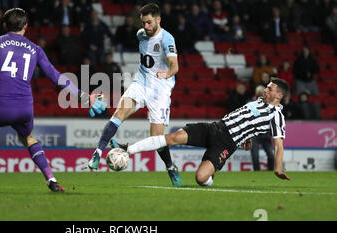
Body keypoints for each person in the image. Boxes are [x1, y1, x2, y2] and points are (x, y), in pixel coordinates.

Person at [0, 8, 106, 192]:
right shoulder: (36, 49)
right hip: (25, 108)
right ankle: (51, 180)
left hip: (1, 106)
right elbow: (56, 76)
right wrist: (83, 96)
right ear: (26, 27)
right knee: (28, 138)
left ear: (5, 25)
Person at [117, 78, 291, 186]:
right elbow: (248, 120)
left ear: (279, 96)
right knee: (174, 137)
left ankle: (211, 175)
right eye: (267, 87)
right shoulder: (258, 101)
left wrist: (277, 168)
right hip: (215, 128)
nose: (265, 90)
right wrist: (249, 136)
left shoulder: (277, 116)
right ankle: (128, 149)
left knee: (200, 178)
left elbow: (279, 145)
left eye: (269, 88)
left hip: (227, 143)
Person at [87, 3, 183, 187]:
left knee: (157, 139)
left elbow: (175, 66)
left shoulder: (167, 39)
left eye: (149, 23)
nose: (145, 27)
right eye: (143, 23)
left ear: (158, 19)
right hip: (141, 82)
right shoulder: (140, 34)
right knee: (119, 114)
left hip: (160, 90)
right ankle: (97, 154)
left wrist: (167, 74)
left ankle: (171, 167)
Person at [250, 85, 275, 171]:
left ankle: (270, 171)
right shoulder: (251, 104)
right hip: (255, 134)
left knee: (271, 156)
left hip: (265, 134)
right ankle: (257, 172)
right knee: (255, 156)